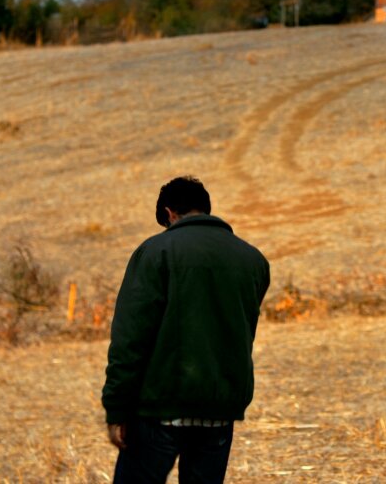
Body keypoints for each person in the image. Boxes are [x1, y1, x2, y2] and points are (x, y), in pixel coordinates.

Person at [102, 176, 270, 483]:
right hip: (219, 411)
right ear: (205, 209)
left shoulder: (155, 253)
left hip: (160, 409)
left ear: (168, 214)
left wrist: (116, 408)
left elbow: (130, 338)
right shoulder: (252, 260)